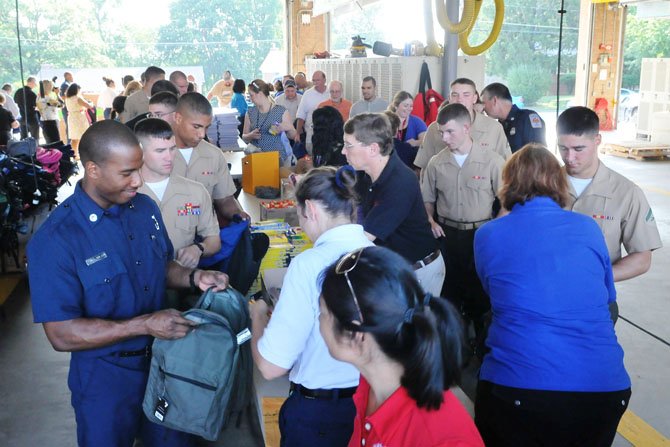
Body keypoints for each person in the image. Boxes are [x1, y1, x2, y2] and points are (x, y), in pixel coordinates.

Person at [27, 119, 230, 447]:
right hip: (105, 379)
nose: (138, 180)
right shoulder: (56, 240)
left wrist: (194, 277)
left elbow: (161, 267)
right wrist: (145, 325)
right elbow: (62, 334)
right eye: (126, 173)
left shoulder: (144, 208)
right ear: (92, 170)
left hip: (165, 363)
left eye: (139, 169)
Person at [473, 144, 631, 447]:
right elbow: (608, 298)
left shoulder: (489, 234)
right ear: (559, 183)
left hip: (518, 388)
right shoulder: (588, 228)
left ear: (508, 184)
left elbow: (494, 295)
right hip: (605, 389)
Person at [250, 166, 374, 447]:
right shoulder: (381, 256)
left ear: (311, 209)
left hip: (320, 416)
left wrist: (257, 318)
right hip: (370, 404)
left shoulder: (309, 265)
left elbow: (270, 367)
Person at [319, 246, 484, 447]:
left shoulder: (441, 438)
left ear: (357, 334)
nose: (319, 321)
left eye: (323, 313)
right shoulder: (370, 387)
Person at [557, 107, 662, 297]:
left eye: (578, 149)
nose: (569, 157)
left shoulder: (626, 193)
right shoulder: (541, 185)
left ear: (597, 140)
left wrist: (600, 277)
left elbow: (642, 258)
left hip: (595, 298)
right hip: (543, 297)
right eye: (563, 148)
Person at [421, 103, 503, 337]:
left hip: (480, 235)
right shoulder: (436, 163)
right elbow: (427, 199)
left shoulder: (492, 161)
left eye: (450, 132)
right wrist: (431, 220)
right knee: (450, 293)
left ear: (466, 128)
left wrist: (495, 230)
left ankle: (483, 344)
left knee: (481, 293)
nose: (445, 138)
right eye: (441, 132)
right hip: (447, 235)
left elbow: (507, 201)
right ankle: (455, 345)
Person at [343, 113, 444, 297]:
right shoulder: (367, 173)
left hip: (418, 272)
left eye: (348, 145)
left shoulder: (399, 182)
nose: (343, 151)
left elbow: (364, 237)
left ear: (373, 149)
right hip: (396, 267)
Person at [135, 118, 220, 268]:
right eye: (160, 151)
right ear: (139, 151)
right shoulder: (126, 195)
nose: (169, 157)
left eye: (173, 148)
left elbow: (213, 240)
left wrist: (198, 249)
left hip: (184, 280)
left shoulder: (196, 191)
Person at [172, 92, 248, 224]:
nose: (202, 134)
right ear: (178, 118)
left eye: (206, 128)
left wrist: (238, 215)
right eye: (196, 127)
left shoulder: (214, 154)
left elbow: (225, 200)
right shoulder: (156, 155)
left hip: (206, 236)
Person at [415, 79, 511, 173]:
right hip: (446, 187)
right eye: (455, 95)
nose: (460, 99)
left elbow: (506, 166)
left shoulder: (494, 128)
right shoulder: (434, 129)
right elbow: (423, 167)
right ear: (449, 98)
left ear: (474, 98)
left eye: (466, 95)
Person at [241, 79, 297, 166]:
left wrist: (284, 127)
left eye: (252, 96)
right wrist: (250, 135)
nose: (251, 100)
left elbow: (293, 135)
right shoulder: (250, 113)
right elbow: (244, 137)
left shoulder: (281, 111)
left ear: (260, 94)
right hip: (255, 159)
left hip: (277, 159)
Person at [481, 82, 546, 153]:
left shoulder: (527, 118)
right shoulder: (498, 126)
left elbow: (538, 155)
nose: (482, 108)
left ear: (494, 100)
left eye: (483, 103)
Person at [295, 71, 329, 152]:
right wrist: (298, 133)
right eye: (314, 80)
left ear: (324, 80)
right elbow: (301, 116)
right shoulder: (307, 94)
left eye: (318, 80)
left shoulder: (331, 92)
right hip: (311, 135)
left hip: (329, 135)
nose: (315, 83)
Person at [65, 83, 94, 160]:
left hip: (71, 118)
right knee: (84, 136)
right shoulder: (78, 98)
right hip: (79, 118)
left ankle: (74, 154)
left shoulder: (67, 98)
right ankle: (86, 154)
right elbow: (88, 105)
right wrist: (91, 103)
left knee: (74, 138)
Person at [37, 79, 62, 144]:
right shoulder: (47, 98)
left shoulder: (39, 97)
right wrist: (57, 94)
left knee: (49, 142)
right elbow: (61, 105)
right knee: (56, 143)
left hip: (44, 121)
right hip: (51, 122)